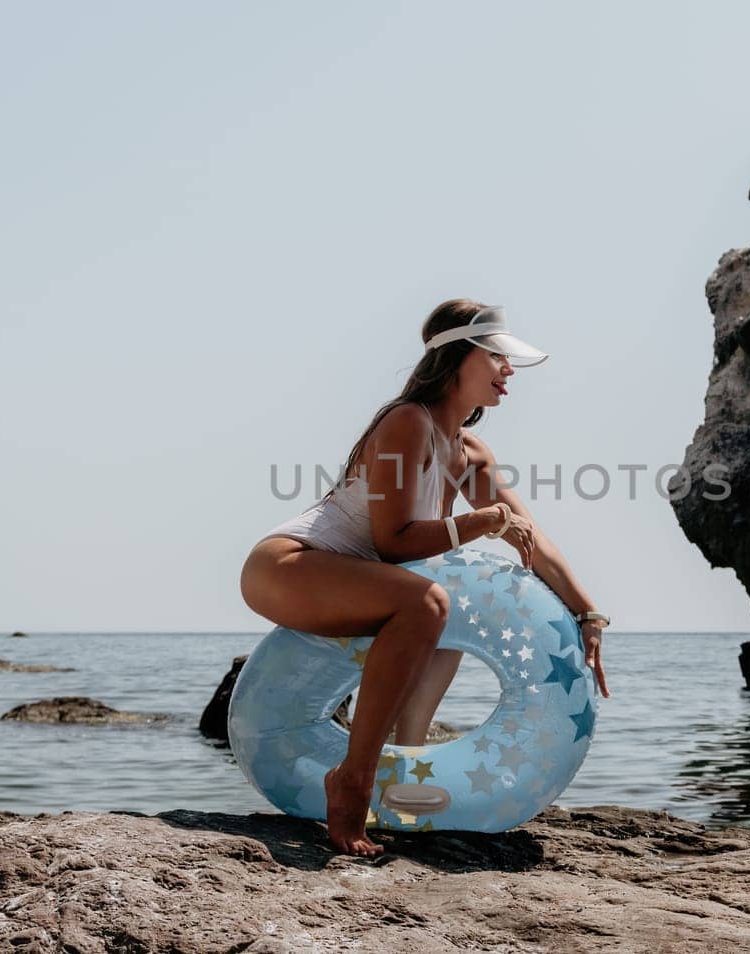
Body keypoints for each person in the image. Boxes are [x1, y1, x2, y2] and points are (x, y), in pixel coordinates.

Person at [240, 298, 612, 856]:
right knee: (428, 603)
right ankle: (352, 783)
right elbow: (394, 541)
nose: (509, 371)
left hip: (359, 581)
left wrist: (588, 612)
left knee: (447, 607)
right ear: (458, 356)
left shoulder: (468, 450)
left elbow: (532, 537)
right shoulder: (406, 421)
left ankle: (403, 773)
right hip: (291, 563)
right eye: (497, 357)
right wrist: (480, 522)